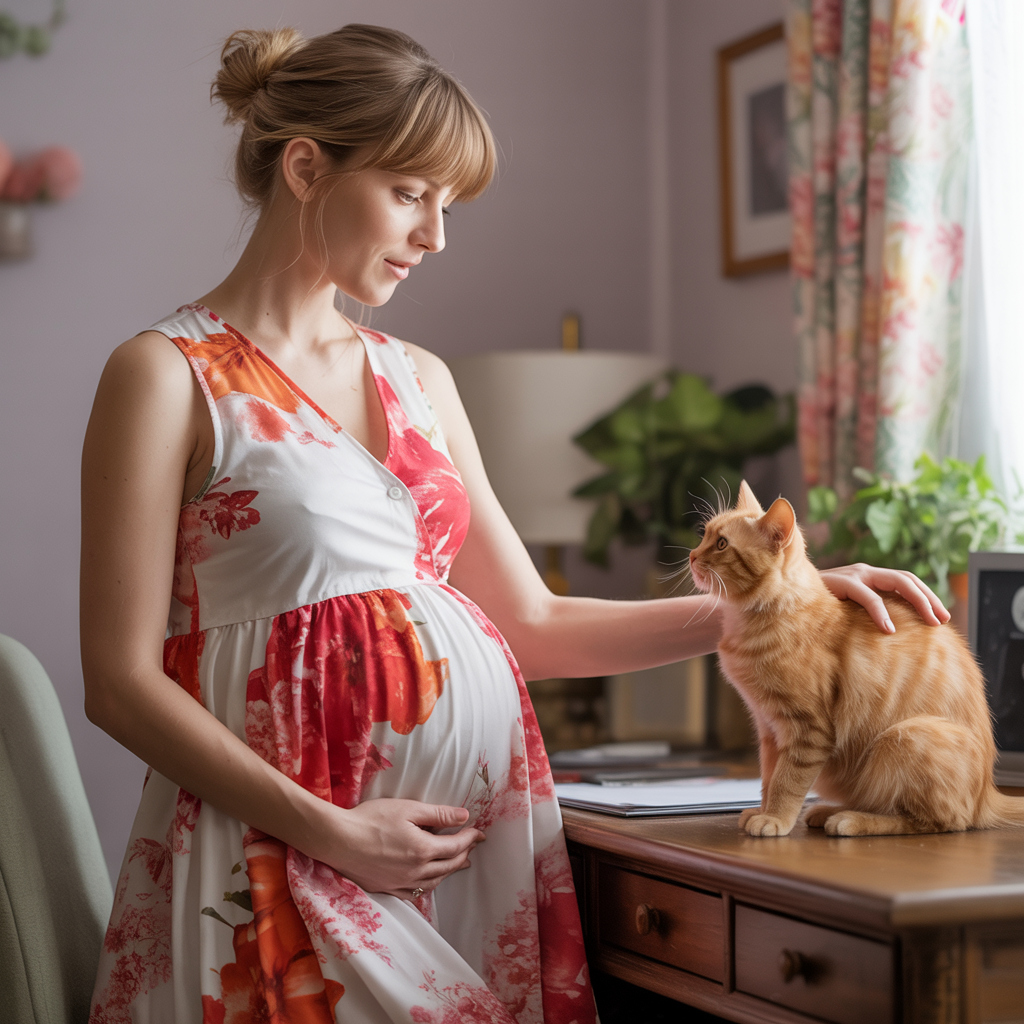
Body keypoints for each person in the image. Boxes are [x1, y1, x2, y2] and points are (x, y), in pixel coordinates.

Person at [80, 23, 950, 1024]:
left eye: (447, 206)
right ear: (307, 167)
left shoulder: (420, 378)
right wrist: (330, 830)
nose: (435, 236)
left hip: (469, 859)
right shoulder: (163, 375)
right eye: (410, 194)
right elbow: (118, 680)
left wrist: (771, 609)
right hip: (282, 855)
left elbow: (528, 621)